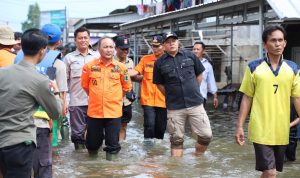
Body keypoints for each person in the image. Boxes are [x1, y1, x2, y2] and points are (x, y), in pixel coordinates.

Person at [235, 25, 300, 178]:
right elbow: (247, 98)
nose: (278, 44)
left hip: (282, 129)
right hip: (260, 128)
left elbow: (297, 97)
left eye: (280, 40)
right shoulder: (253, 67)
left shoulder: (293, 68)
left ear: (285, 43)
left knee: (272, 172)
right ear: (265, 44)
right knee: (270, 172)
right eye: (273, 40)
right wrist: (239, 126)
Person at [0, 28, 62, 178]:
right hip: (20, 144)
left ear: (21, 46)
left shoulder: (2, 73)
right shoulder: (40, 80)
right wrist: (56, 92)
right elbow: (55, 112)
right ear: (42, 51)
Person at [153, 32, 212, 157]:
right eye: (168, 42)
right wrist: (171, 95)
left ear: (178, 41)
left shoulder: (190, 55)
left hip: (195, 103)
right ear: (163, 45)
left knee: (206, 135)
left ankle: (197, 156)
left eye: (174, 40)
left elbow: (199, 74)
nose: (171, 43)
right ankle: (177, 169)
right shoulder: (159, 63)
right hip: (174, 106)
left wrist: (193, 89)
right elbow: (159, 84)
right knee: (176, 139)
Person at [81, 37, 132, 160]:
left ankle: (110, 171)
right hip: (95, 112)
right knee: (92, 145)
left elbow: (126, 87)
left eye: (111, 47)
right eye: (105, 47)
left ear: (114, 49)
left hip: (113, 113)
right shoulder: (89, 67)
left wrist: (113, 99)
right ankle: (93, 170)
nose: (108, 50)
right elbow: (85, 86)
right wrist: (97, 97)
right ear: (98, 49)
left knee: (113, 145)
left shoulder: (121, 68)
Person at [64, 27, 99, 150]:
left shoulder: (98, 57)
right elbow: (64, 82)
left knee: (96, 135)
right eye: (80, 38)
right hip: (77, 102)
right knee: (77, 135)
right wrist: (64, 102)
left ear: (89, 39)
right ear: (75, 40)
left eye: (85, 37)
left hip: (96, 102)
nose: (83, 40)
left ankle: (91, 162)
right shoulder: (69, 58)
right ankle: (79, 163)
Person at [129, 35, 167, 143]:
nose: (154, 48)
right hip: (148, 99)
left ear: (164, 46)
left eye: (157, 46)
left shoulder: (169, 60)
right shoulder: (146, 59)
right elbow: (135, 71)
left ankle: (158, 150)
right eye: (153, 46)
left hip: (164, 100)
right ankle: (148, 149)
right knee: (149, 125)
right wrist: (123, 74)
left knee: (161, 128)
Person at [114, 36, 136, 142]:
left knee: (123, 126)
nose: (125, 51)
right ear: (116, 48)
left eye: (127, 49)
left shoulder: (130, 62)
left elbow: (133, 78)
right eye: (122, 49)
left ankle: (121, 146)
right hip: (113, 100)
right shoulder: (110, 61)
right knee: (110, 126)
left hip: (126, 101)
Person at [192, 41, 218, 108]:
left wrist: (215, 97)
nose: (195, 51)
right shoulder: (187, 63)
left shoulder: (207, 66)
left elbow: (211, 81)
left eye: (198, 49)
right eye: (194, 49)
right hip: (188, 96)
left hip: (201, 97)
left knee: (200, 118)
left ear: (203, 51)